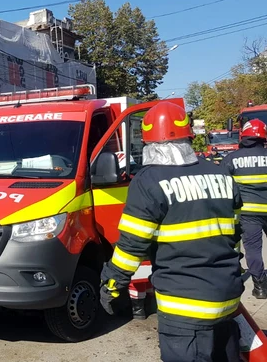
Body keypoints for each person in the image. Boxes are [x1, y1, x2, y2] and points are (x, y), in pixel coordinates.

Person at [100, 102, 243, 362]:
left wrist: (111, 283)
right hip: (228, 297)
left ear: (147, 142)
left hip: (185, 307)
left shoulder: (148, 181)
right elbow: (235, 233)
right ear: (189, 136)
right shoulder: (220, 173)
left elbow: (132, 245)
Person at [222, 118, 267, 299]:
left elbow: (224, 188)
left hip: (248, 214)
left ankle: (260, 287)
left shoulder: (231, 159)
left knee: (253, 250)